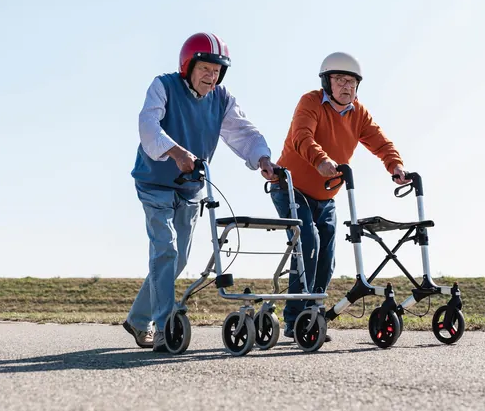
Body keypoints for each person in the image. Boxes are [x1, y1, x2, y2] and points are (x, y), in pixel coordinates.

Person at [124, 32, 277, 352]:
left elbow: (243, 132)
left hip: (191, 187)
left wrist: (262, 158)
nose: (211, 76)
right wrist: (176, 152)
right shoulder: (164, 86)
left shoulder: (221, 98)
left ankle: (138, 319)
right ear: (188, 65)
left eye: (217, 71)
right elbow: (149, 126)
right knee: (165, 251)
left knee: (177, 259)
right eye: (205, 69)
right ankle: (163, 326)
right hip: (154, 183)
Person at [270, 52, 409, 340]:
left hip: (326, 195)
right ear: (327, 82)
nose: (347, 86)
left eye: (352, 81)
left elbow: (380, 142)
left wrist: (395, 165)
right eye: (340, 80)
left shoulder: (359, 113)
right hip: (290, 188)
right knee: (308, 242)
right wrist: (320, 160)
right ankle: (295, 319)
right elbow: (301, 136)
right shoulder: (310, 102)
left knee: (328, 252)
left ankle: (313, 314)